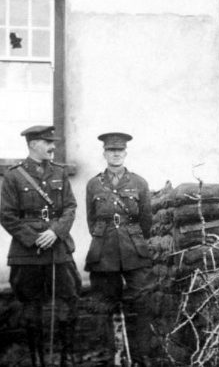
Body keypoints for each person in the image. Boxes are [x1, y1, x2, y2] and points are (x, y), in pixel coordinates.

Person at [0, 125, 80, 367]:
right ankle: (38, 362)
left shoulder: (60, 173)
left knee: (69, 299)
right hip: (27, 253)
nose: (53, 146)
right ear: (33, 144)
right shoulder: (14, 176)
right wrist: (35, 238)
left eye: (52, 141)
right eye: (47, 142)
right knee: (31, 308)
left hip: (58, 248)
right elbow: (7, 216)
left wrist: (55, 232)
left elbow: (70, 207)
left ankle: (66, 360)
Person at [85, 132, 153, 366]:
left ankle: (141, 353)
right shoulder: (94, 184)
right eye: (111, 150)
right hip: (103, 250)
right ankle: (109, 354)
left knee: (142, 300)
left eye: (119, 150)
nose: (115, 154)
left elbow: (146, 221)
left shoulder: (139, 183)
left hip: (134, 248)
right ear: (104, 153)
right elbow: (91, 220)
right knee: (104, 301)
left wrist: (134, 239)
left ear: (125, 153)